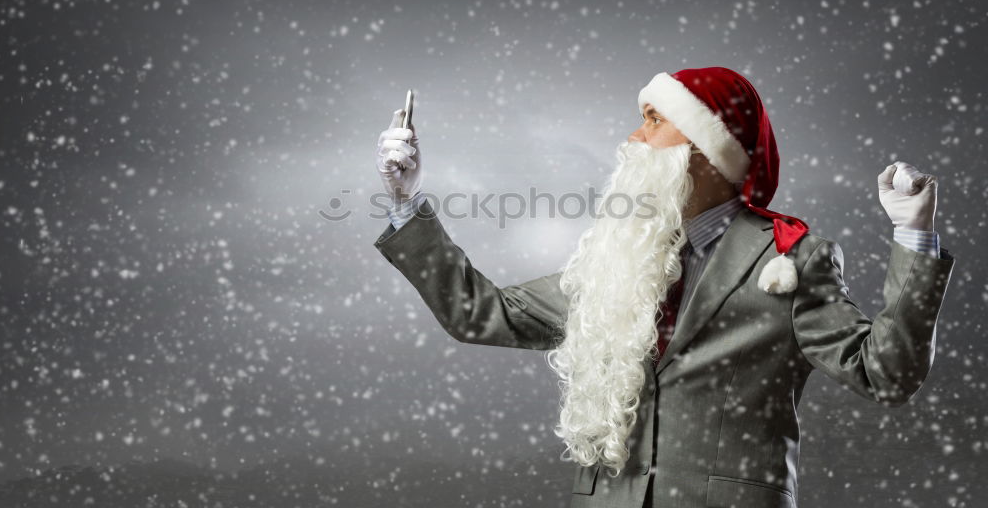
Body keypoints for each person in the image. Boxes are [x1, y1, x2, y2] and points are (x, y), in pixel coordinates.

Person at [373, 66, 956, 508]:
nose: (633, 136)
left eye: (653, 120)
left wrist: (913, 233)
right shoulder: (614, 257)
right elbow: (481, 313)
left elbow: (887, 374)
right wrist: (405, 204)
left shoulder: (791, 258)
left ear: (704, 149)